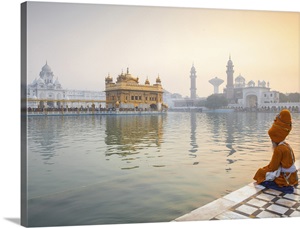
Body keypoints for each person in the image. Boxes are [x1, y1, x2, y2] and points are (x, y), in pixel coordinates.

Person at [253, 109, 298, 193]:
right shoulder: (287, 145)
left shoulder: (279, 149)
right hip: (293, 177)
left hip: (286, 179)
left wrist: (263, 170)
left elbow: (273, 167)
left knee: (260, 173)